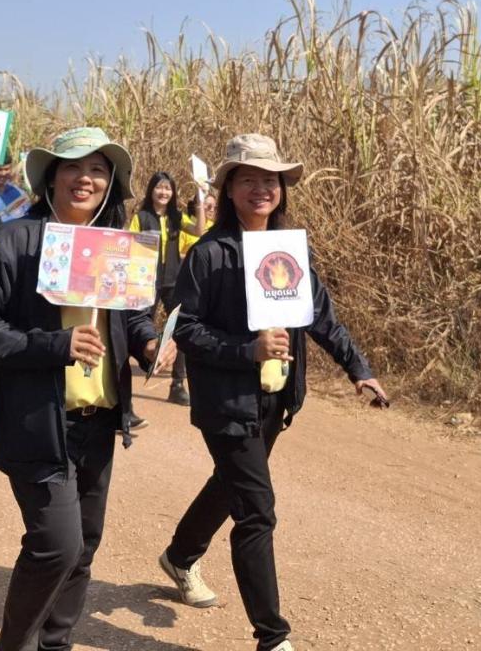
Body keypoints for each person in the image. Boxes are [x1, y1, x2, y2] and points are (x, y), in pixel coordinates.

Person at [159, 133, 388, 651]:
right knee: (256, 509)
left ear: (282, 190)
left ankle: (179, 556)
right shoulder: (209, 255)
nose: (262, 188)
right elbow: (185, 329)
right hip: (226, 402)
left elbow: (321, 316)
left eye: (272, 180)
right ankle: (272, 637)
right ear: (230, 188)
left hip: (275, 399)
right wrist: (248, 350)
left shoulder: (289, 251)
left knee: (231, 484)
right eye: (249, 179)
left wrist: (359, 369)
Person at [0, 126, 175, 651]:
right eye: (73, 167)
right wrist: (53, 346)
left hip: (99, 420)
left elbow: (134, 315)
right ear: (51, 179)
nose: (86, 178)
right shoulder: (15, 239)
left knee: (84, 546)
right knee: (57, 544)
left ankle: (56, 643)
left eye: (98, 169)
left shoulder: (120, 248)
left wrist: (147, 344)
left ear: (111, 184)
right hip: (36, 420)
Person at [130, 171, 201, 406]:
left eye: (168, 188)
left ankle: (177, 384)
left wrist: (200, 203)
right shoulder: (141, 217)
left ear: (173, 193)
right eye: (159, 187)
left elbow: (199, 231)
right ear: (151, 190)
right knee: (136, 330)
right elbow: (128, 244)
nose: (163, 192)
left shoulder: (177, 218)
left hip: (173, 281)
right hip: (145, 281)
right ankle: (126, 391)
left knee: (179, 328)